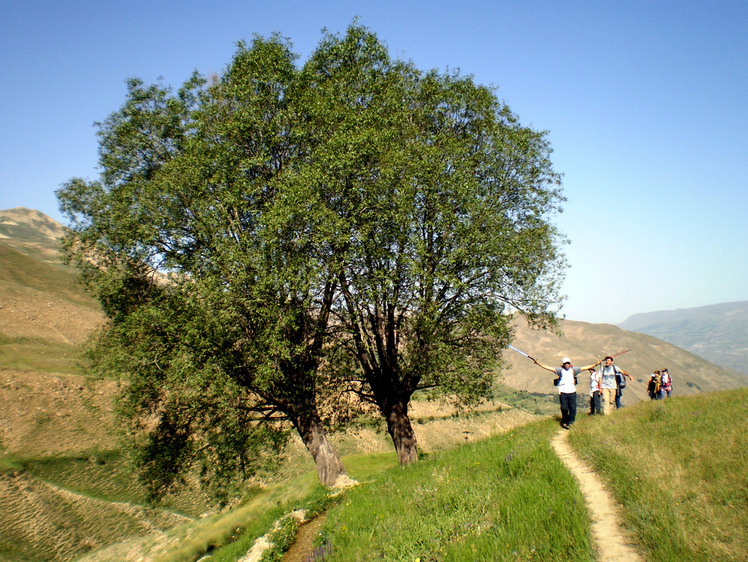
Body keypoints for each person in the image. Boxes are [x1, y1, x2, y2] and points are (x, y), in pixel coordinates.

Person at [533, 356, 601, 429]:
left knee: (573, 408)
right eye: (565, 363)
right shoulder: (560, 370)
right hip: (563, 392)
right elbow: (549, 368)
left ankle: (570, 421)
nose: (567, 364)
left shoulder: (574, 370)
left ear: (570, 363)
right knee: (564, 408)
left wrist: (596, 364)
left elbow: (585, 367)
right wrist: (539, 364)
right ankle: (565, 421)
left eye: (568, 363)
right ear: (563, 364)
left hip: (572, 391)